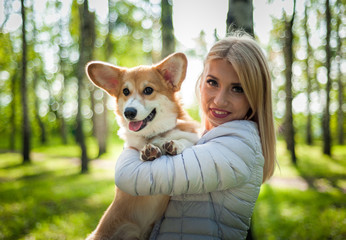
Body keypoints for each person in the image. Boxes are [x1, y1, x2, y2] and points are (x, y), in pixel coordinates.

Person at [114, 31, 276, 239]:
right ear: (200, 83)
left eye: (237, 88)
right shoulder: (207, 139)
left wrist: (132, 140)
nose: (219, 100)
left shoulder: (238, 148)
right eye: (212, 82)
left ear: (255, 95)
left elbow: (129, 177)